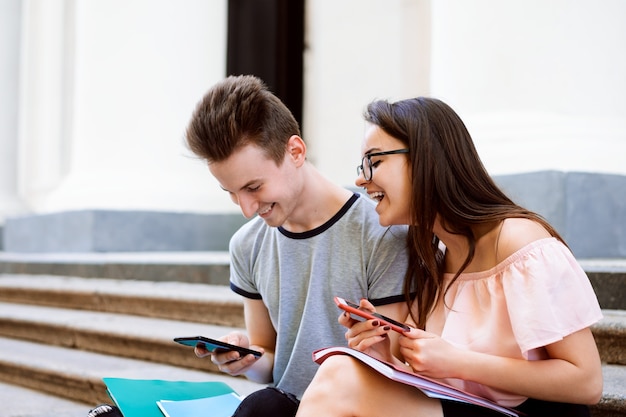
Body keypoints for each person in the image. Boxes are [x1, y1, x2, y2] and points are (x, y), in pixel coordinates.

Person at [295, 97, 604, 417]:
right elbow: (438, 381)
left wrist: (458, 361)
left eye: (374, 161)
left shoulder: (521, 243)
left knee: (340, 377)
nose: (361, 179)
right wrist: (384, 356)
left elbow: (587, 381)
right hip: (461, 408)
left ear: (426, 159)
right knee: (341, 370)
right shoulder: (433, 257)